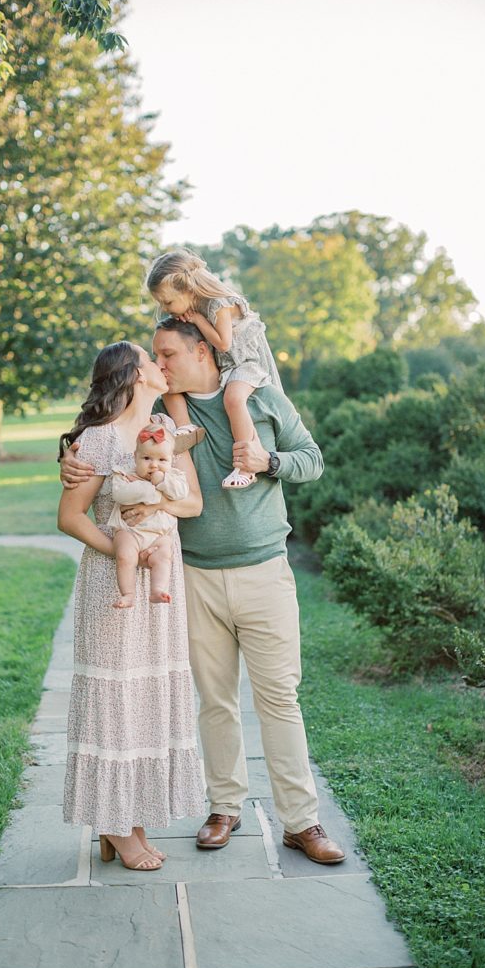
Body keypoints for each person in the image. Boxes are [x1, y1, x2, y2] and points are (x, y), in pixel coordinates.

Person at [61, 319, 345, 866]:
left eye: (168, 355)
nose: (161, 365)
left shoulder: (256, 399)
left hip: (263, 569)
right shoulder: (165, 417)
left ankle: (302, 823)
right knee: (209, 701)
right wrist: (70, 453)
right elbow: (104, 443)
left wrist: (269, 461)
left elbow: (311, 459)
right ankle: (223, 807)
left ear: (203, 350)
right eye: (155, 358)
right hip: (190, 575)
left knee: (279, 698)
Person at [57, 340, 206, 872]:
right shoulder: (97, 441)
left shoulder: (166, 429)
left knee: (146, 699)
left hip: (162, 580)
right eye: (152, 360)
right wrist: (126, 551)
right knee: (115, 701)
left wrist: (155, 503)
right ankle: (117, 826)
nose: (162, 366)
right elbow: (71, 517)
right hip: (113, 583)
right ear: (134, 375)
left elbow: (193, 502)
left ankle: (130, 818)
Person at [146, 248, 282, 490]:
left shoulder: (219, 304)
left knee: (233, 399)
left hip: (246, 362)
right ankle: (185, 427)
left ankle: (246, 464)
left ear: (187, 289)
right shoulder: (192, 308)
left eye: (167, 301)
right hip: (228, 362)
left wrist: (198, 320)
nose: (165, 308)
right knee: (171, 380)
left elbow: (223, 343)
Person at [108, 422, 189, 608]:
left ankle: (158, 590)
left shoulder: (174, 477)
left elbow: (180, 493)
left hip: (159, 535)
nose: (154, 465)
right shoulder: (124, 474)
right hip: (130, 531)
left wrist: (161, 482)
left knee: (164, 556)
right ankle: (128, 593)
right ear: (135, 457)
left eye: (162, 460)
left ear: (171, 460)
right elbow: (120, 495)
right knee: (124, 555)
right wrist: (151, 488)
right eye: (146, 458)